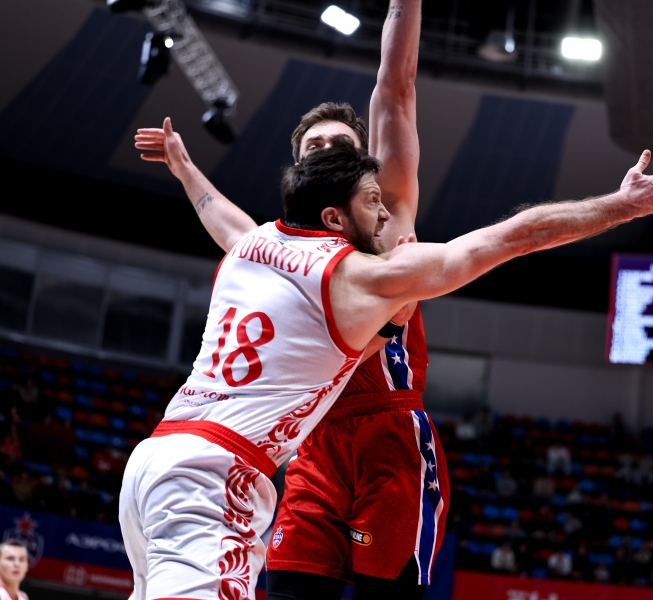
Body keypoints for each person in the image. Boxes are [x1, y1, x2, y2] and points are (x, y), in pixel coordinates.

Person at [124, 98, 653, 600]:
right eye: (372, 201)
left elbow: (219, 214)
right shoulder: (364, 280)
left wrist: (185, 168)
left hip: (154, 459)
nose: (385, 213)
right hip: (217, 473)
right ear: (334, 215)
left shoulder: (254, 245)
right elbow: (514, 236)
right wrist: (622, 205)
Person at [136, 3, 450, 599]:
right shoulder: (278, 250)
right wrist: (185, 169)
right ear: (300, 164)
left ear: (364, 162)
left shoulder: (387, 214)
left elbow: (396, 89)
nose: (326, 147)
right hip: (313, 441)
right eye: (315, 143)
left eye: (340, 142)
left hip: (388, 433)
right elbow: (232, 228)